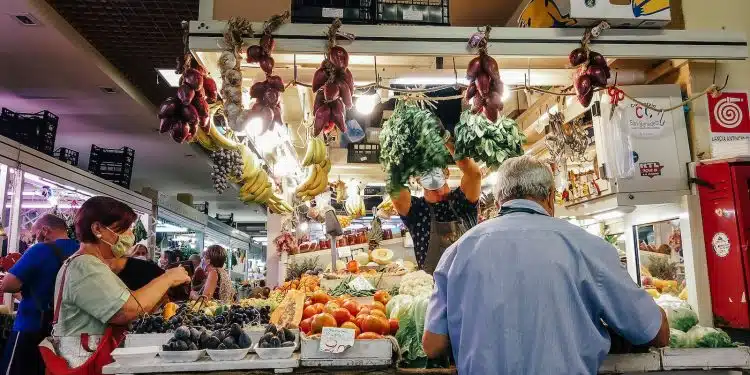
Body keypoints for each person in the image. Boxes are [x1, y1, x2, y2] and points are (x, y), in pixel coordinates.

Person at [422, 156, 670, 374]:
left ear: (499, 202)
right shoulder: (588, 247)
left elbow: (432, 346)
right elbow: (655, 332)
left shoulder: (457, 253)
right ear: (550, 197)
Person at [46, 196, 190, 369]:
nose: (129, 236)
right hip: (83, 362)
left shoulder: (93, 265)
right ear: (97, 228)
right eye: (123, 229)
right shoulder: (84, 265)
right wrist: (168, 278)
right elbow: (125, 311)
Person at [390, 123, 482, 274]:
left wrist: (446, 138)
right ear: (417, 178)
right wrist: (399, 147)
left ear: (446, 172)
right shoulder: (415, 211)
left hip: (469, 288)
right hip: (432, 292)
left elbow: (474, 175)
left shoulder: (462, 201)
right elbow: (395, 189)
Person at [0, 214, 78, 375]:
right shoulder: (80, 250)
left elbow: (8, 284)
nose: (35, 239)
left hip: (31, 326)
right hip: (67, 331)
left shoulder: (40, 249)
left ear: (45, 230)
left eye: (35, 235)